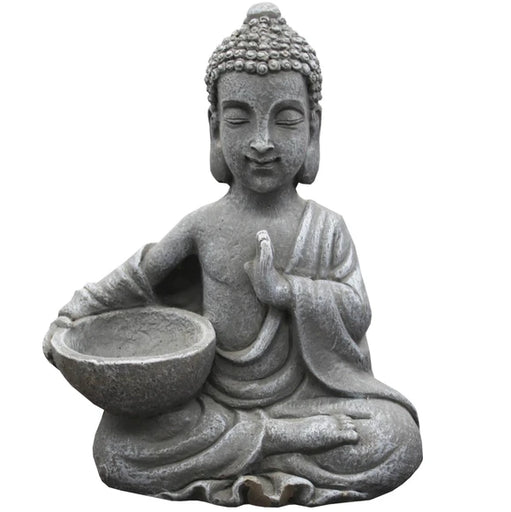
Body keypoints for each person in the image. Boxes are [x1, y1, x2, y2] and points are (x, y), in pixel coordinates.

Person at [44, 4, 422, 506]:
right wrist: (72, 317)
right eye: (240, 119)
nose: (262, 142)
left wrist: (288, 291)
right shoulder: (203, 225)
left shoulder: (327, 227)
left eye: (285, 120)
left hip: (306, 400)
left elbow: (356, 313)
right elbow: (138, 277)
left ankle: (257, 445)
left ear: (314, 128)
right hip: (213, 402)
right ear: (215, 129)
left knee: (395, 436)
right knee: (117, 448)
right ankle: (278, 441)